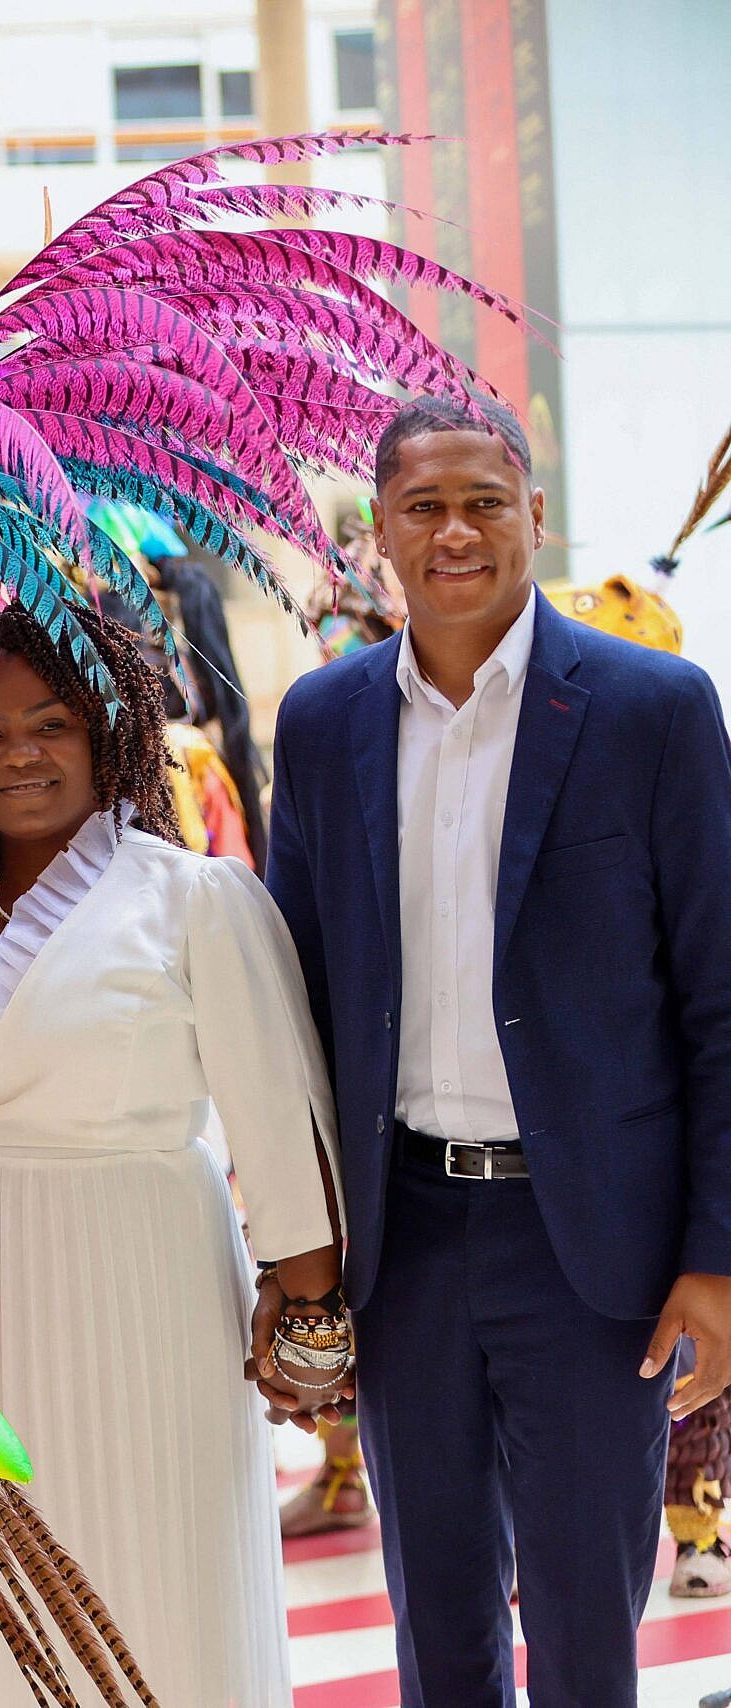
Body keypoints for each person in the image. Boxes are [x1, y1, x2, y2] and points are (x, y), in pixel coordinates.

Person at [265, 393, 731, 1704]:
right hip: (403, 1238)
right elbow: (286, 1009)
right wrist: (295, 1258)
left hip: (590, 1247)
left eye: (485, 502)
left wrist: (717, 1260)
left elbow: (718, 1002)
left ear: (534, 516)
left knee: (589, 1625)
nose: (456, 530)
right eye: (424, 506)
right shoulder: (324, 726)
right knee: (441, 1624)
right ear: (381, 538)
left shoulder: (654, 712)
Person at [0, 604, 344, 1708]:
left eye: (49, 724)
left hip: (146, 1288)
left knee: (148, 1569)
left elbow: (279, 1114)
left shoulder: (194, 899)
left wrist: (312, 1309)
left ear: (109, 731)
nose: (19, 755)